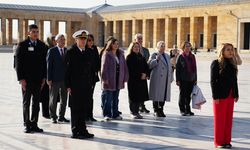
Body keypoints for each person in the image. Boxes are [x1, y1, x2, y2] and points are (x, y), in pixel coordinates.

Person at [15, 24, 47, 133]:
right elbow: (18, 63)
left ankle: (34, 124)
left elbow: (44, 64)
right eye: (33, 32)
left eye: (37, 32)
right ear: (29, 33)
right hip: (27, 80)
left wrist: (44, 77)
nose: (35, 34)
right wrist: (21, 79)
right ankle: (26, 124)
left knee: (36, 103)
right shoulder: (22, 45)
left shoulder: (42, 45)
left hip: (38, 80)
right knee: (26, 102)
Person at [65, 30, 94, 139]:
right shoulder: (71, 52)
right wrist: (68, 86)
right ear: (76, 40)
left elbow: (91, 70)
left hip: (86, 85)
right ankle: (75, 131)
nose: (83, 41)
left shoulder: (89, 52)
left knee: (83, 108)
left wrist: (90, 83)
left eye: (85, 39)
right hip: (75, 86)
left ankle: (83, 130)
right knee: (75, 108)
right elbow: (67, 70)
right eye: (81, 39)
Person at [210, 43, 239, 149]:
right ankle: (218, 142)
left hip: (230, 95)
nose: (231, 52)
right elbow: (213, 81)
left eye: (231, 50)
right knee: (220, 120)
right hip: (220, 96)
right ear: (222, 51)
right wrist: (215, 96)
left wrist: (236, 93)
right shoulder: (216, 63)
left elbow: (234, 80)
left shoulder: (232, 63)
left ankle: (227, 140)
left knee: (228, 119)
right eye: (228, 50)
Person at [101, 38, 128, 121]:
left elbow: (124, 66)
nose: (116, 45)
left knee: (116, 98)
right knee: (108, 99)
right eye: (114, 44)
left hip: (118, 79)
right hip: (109, 79)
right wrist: (104, 78)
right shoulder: (107, 54)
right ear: (110, 44)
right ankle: (107, 114)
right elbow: (104, 67)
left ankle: (115, 114)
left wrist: (125, 77)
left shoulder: (120, 54)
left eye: (117, 43)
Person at [47, 34, 69, 124]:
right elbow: (49, 66)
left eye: (64, 39)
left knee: (64, 99)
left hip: (65, 79)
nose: (63, 41)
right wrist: (49, 78)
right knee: (53, 98)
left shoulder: (67, 51)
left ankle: (61, 116)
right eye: (61, 39)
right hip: (54, 79)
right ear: (56, 41)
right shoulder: (52, 51)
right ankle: (53, 116)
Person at [148, 41, 173, 117]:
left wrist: (171, 77)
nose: (163, 47)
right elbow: (149, 65)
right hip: (157, 78)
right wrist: (156, 60)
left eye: (164, 45)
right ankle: (156, 110)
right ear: (158, 47)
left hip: (165, 79)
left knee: (163, 95)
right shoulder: (154, 54)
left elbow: (170, 67)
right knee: (156, 95)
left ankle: (161, 109)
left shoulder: (167, 56)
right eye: (161, 46)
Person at [126, 42, 149, 119]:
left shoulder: (141, 57)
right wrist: (140, 75)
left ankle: (137, 111)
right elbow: (130, 70)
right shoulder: (129, 57)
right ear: (132, 48)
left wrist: (145, 74)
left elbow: (146, 67)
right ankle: (133, 112)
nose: (136, 48)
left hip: (141, 80)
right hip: (133, 80)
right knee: (133, 96)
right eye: (135, 47)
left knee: (139, 96)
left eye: (138, 47)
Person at [176, 41, 197, 116]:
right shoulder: (180, 57)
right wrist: (178, 80)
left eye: (189, 46)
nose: (188, 48)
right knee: (182, 95)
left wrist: (195, 79)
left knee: (188, 95)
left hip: (191, 79)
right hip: (183, 79)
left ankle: (188, 109)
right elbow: (178, 69)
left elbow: (195, 68)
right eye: (186, 46)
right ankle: (182, 110)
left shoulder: (193, 56)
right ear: (183, 48)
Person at [85, 34, 100, 122]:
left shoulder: (94, 49)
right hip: (86, 77)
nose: (90, 42)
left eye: (91, 40)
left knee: (91, 96)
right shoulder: (84, 49)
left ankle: (90, 115)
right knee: (86, 96)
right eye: (89, 40)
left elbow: (97, 60)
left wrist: (96, 69)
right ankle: (85, 115)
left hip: (93, 77)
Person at [40, 35, 56, 119]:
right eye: (53, 40)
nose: (55, 42)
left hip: (53, 76)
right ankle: (45, 113)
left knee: (52, 96)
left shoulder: (55, 49)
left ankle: (51, 112)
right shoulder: (45, 49)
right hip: (46, 76)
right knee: (45, 96)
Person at [134, 33, 150, 113]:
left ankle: (142, 106)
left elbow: (147, 62)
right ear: (135, 40)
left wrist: (147, 73)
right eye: (138, 38)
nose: (140, 40)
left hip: (143, 73)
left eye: (141, 38)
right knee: (137, 91)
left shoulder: (146, 50)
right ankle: (137, 107)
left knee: (143, 91)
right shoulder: (132, 50)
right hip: (136, 74)